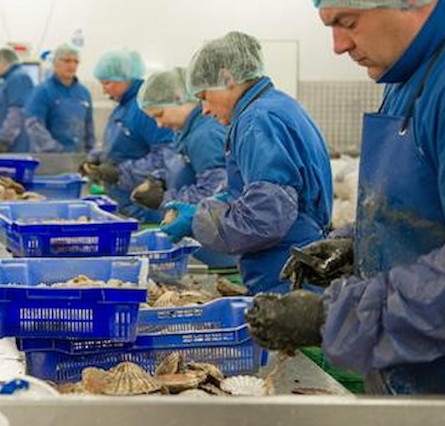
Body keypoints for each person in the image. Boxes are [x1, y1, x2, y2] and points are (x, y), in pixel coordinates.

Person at [247, 0, 445, 394]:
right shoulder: (406, 77)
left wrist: (332, 317)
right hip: (408, 374)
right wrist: (361, 244)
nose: (338, 46)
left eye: (348, 22)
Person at [160, 31, 332, 295]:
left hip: (287, 273)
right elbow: (252, 194)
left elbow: (266, 217)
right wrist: (205, 208)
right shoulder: (276, 106)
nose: (204, 109)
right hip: (291, 263)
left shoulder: (258, 121)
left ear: (227, 78)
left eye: (205, 96)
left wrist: (198, 222)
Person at [133, 67, 234, 268]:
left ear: (179, 98)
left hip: (217, 248)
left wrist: (166, 199)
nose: (159, 124)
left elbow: (214, 193)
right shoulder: (187, 130)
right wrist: (159, 180)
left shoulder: (205, 134)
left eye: (159, 114)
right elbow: (180, 165)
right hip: (200, 242)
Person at [81, 49, 173, 223]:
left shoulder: (144, 108)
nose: (103, 90)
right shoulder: (123, 107)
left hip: (143, 206)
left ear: (125, 78)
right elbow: (123, 144)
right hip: (121, 202)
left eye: (107, 83)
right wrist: (99, 157)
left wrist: (120, 172)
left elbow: (166, 156)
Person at [24, 43, 94, 153]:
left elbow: (89, 128)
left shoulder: (83, 93)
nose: (72, 65)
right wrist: (57, 151)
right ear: (55, 63)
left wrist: (90, 155)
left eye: (76, 62)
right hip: (50, 159)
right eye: (67, 61)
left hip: (77, 158)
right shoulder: (42, 91)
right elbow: (34, 126)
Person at [0, 46, 34, 153]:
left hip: (13, 148)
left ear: (2, 63)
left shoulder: (19, 78)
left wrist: (4, 141)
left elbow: (17, 113)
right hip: (1, 145)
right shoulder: (5, 82)